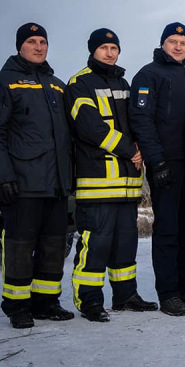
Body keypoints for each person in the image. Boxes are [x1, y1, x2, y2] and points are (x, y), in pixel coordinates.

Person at [0, 22, 75, 328]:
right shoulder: (2, 83)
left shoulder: (57, 85)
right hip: (22, 183)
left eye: (42, 41)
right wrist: (1, 177)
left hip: (57, 183)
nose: (38, 46)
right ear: (20, 45)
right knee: (20, 245)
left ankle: (46, 301)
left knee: (53, 244)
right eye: (32, 41)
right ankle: (17, 305)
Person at [66, 28, 158, 322]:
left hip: (128, 183)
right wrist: (130, 150)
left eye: (114, 48)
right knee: (96, 244)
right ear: (93, 50)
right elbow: (90, 127)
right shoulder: (79, 83)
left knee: (125, 244)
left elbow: (138, 121)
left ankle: (125, 295)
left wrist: (141, 147)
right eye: (104, 47)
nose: (110, 52)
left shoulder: (124, 83)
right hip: (97, 183)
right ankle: (89, 301)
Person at [130, 22, 185, 316]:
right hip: (166, 164)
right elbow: (141, 120)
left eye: (182, 42)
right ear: (163, 44)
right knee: (168, 230)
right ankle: (168, 292)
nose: (178, 46)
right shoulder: (148, 75)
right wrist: (156, 161)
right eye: (172, 41)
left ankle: (183, 285)